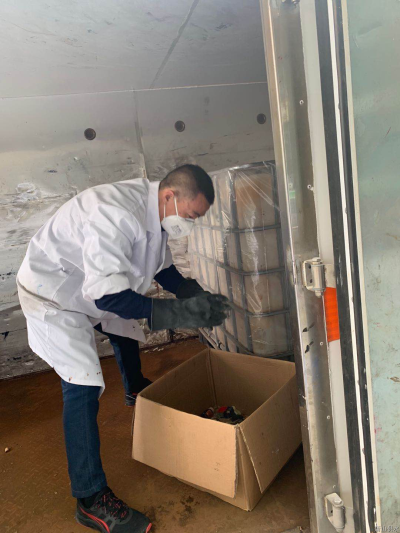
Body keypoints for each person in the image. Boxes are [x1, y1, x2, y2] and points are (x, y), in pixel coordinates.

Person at [17, 164, 230, 533]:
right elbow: (109, 296)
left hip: (87, 289)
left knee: (125, 327)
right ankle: (89, 498)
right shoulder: (114, 214)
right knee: (82, 385)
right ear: (170, 196)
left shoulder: (157, 211)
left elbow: (160, 267)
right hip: (53, 294)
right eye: (192, 216)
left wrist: (191, 292)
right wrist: (178, 312)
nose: (191, 224)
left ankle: (134, 389)